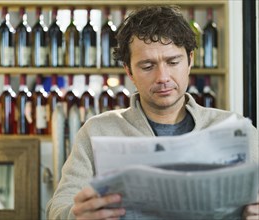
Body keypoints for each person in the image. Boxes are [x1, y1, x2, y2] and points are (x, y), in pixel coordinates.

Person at [46, 5, 259, 220]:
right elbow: (58, 208)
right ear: (129, 71)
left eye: (173, 62)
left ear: (190, 61)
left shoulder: (237, 130)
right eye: (148, 66)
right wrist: (76, 215)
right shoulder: (97, 131)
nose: (162, 77)